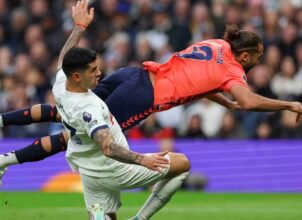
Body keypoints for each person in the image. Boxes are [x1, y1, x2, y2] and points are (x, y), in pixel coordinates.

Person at [0, 7, 302, 182]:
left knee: (64, 108)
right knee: (75, 134)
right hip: (143, 98)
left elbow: (199, 80)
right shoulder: (233, 72)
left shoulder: (217, 45)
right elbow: (249, 100)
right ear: (247, 56)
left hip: (134, 74)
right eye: (258, 57)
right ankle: (5, 162)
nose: (259, 62)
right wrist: (288, 103)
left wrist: (225, 101)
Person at [26, 2, 191, 219]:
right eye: (93, 70)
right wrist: (143, 160)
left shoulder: (60, 85)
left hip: (89, 170)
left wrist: (79, 27)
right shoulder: (89, 107)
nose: (99, 73)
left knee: (107, 215)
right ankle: (139, 218)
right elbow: (108, 147)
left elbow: (64, 58)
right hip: (115, 169)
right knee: (183, 164)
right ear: (77, 76)